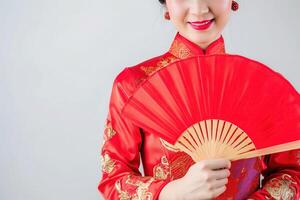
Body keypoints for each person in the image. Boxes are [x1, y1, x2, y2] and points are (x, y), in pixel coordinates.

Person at [98, 0, 300, 199]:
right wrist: (171, 193)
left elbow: (293, 172)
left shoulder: (259, 86)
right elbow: (113, 180)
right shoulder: (134, 85)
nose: (199, 9)